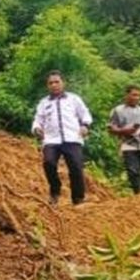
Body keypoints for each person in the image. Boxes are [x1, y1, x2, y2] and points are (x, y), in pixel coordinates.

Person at [31, 70, 93, 205]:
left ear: (63, 83)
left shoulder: (74, 99)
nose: (54, 85)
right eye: (51, 83)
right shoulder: (43, 103)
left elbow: (85, 114)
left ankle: (78, 199)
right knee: (48, 163)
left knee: (76, 167)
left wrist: (85, 126)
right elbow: (37, 119)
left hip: (72, 138)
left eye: (56, 82)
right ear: (47, 85)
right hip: (51, 140)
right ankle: (55, 191)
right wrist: (36, 128)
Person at [108, 84, 140, 194]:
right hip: (128, 143)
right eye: (134, 95)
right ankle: (138, 194)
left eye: (138, 95)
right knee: (133, 171)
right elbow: (111, 129)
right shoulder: (117, 111)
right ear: (126, 95)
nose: (136, 98)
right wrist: (124, 131)